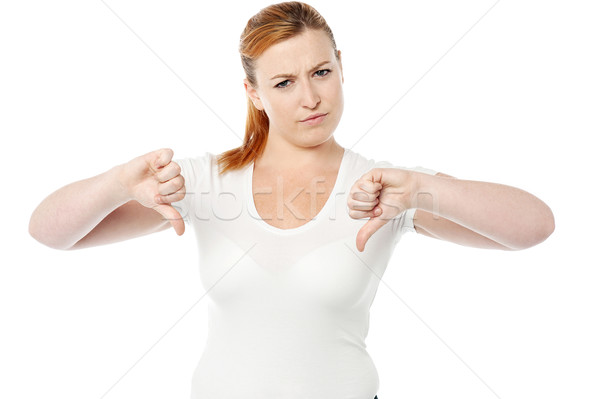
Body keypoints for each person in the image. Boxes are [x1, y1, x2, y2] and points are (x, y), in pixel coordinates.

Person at [28, 1, 554, 398]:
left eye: (321, 72)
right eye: (284, 82)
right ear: (254, 92)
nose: (310, 98)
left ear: (341, 66)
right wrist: (120, 181)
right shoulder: (203, 180)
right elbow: (50, 233)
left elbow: (535, 226)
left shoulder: (385, 187)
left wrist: (421, 191)